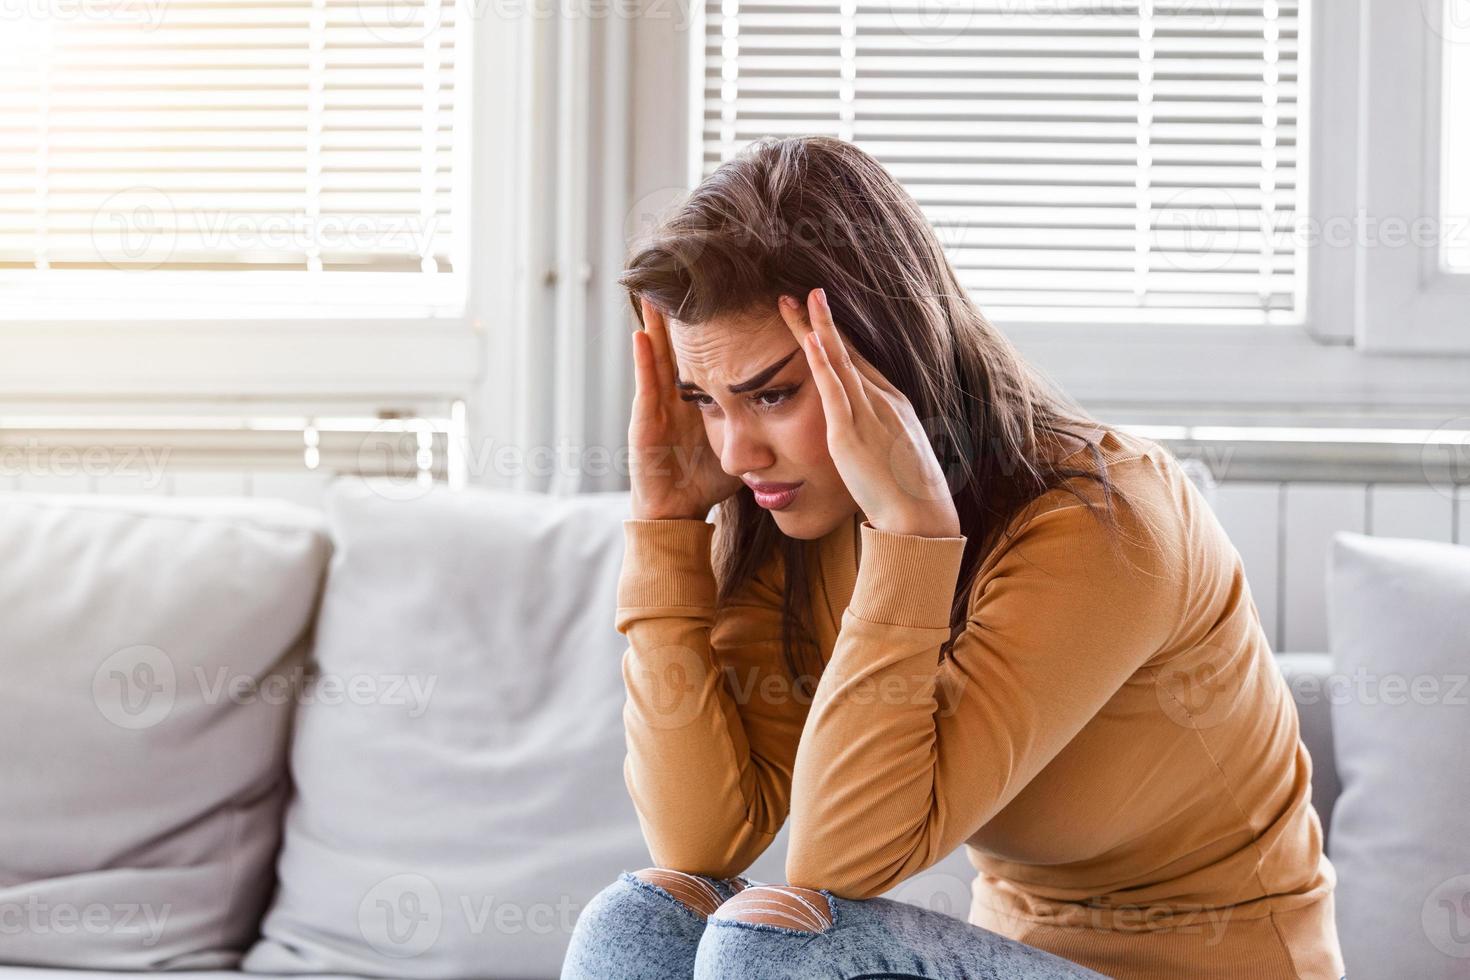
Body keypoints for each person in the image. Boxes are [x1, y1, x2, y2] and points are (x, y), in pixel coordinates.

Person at [562, 135, 1345, 980]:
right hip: (1007, 955)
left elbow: (839, 865)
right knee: (638, 924)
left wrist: (912, 538)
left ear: (885, 358)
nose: (737, 450)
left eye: (773, 394)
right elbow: (699, 839)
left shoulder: (1106, 522)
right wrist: (668, 524)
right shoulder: (798, 514)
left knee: (775, 950)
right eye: (703, 402)